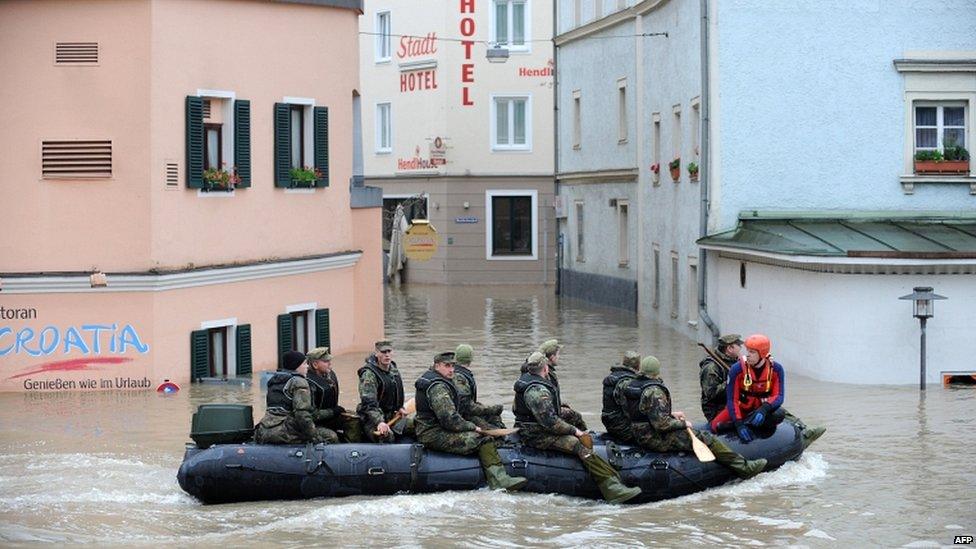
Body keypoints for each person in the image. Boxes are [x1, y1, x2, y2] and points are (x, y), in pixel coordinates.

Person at [514, 351, 642, 503]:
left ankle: (593, 443)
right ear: (545, 369)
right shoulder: (538, 391)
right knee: (578, 445)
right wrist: (575, 431)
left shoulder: (527, 381)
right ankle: (612, 488)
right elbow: (551, 423)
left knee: (572, 416)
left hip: (531, 428)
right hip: (535, 435)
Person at [626, 356, 766, 479]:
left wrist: (671, 415)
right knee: (707, 438)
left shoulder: (633, 385)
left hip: (639, 434)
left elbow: (644, 413)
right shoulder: (654, 391)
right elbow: (661, 425)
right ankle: (744, 467)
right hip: (653, 438)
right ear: (656, 371)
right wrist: (682, 424)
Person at [415, 352, 527, 491]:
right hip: (432, 434)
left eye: (453, 366)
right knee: (482, 439)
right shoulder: (438, 388)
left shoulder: (435, 380)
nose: (451, 370)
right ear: (437, 366)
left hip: (433, 428)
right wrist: (472, 427)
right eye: (447, 366)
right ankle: (499, 480)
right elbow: (449, 419)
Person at [710, 334, 826, 449]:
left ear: (762, 354)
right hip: (741, 408)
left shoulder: (776, 369)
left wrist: (764, 409)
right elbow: (732, 400)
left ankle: (802, 431)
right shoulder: (737, 369)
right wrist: (739, 424)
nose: (747, 355)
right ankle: (737, 426)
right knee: (715, 427)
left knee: (779, 414)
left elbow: (779, 396)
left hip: (761, 409)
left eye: (752, 352)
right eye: (747, 351)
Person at [255, 350, 339, 445]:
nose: (307, 366)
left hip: (264, 430)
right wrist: (314, 437)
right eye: (304, 364)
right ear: (296, 366)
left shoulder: (273, 380)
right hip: (284, 433)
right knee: (331, 436)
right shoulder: (299, 382)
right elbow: (302, 415)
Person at [305, 347, 363, 442]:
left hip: (331, 417)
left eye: (329, 360)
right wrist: (333, 411)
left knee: (354, 419)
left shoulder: (330, 375)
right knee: (332, 437)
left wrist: (336, 412)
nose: (330, 363)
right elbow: (311, 414)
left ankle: (352, 449)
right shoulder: (308, 383)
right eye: (325, 361)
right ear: (315, 364)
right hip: (315, 423)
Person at [357, 340, 409, 443]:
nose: (387, 355)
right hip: (371, 420)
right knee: (386, 437)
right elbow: (369, 405)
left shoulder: (393, 369)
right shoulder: (369, 375)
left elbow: (395, 394)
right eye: (383, 352)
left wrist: (400, 408)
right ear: (376, 353)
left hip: (392, 417)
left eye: (389, 352)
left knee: (416, 426)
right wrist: (379, 422)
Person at [536, 339, 587, 430]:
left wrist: (560, 404)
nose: (559, 357)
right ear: (552, 357)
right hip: (544, 415)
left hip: (542, 411)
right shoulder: (547, 374)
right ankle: (584, 437)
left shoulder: (540, 370)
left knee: (566, 408)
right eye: (558, 354)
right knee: (575, 416)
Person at [453, 344, 505, 429]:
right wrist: (490, 409)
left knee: (494, 417)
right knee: (492, 428)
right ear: (470, 359)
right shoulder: (460, 377)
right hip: (463, 417)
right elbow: (466, 407)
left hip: (462, 414)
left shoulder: (455, 372)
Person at [699, 334, 743, 423]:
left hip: (734, 403)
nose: (741, 348)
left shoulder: (736, 361)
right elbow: (711, 394)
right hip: (717, 409)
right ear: (730, 348)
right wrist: (732, 382)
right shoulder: (711, 367)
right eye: (738, 345)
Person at [600, 351, 641, 442]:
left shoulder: (613, 376)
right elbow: (631, 411)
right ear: (638, 366)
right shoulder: (629, 383)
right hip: (622, 428)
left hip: (609, 422)